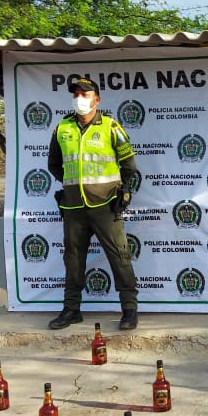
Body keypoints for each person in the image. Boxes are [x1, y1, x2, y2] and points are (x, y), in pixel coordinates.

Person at [47, 76, 139, 331]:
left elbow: (129, 166)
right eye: (76, 94)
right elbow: (54, 165)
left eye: (85, 95)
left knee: (119, 256)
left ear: (96, 100)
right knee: (73, 260)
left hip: (106, 204)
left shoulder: (111, 127)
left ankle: (129, 310)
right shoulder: (62, 128)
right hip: (73, 206)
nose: (80, 99)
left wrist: (125, 191)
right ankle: (71, 310)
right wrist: (72, 185)